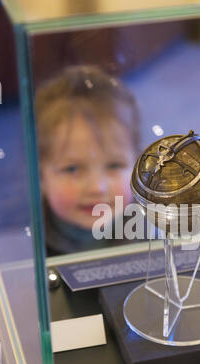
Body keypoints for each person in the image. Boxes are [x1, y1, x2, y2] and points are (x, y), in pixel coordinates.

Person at [35, 65, 140, 256]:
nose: (96, 187)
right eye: (73, 169)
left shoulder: (157, 228)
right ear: (40, 175)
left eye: (114, 165)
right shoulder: (25, 243)